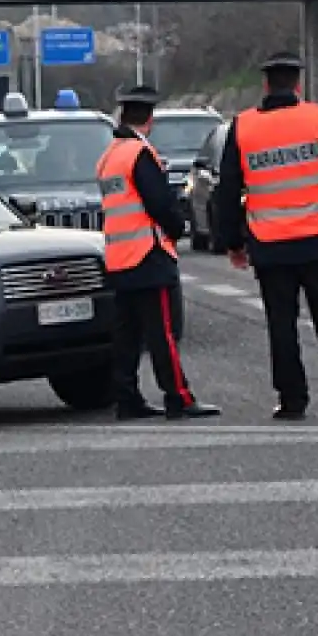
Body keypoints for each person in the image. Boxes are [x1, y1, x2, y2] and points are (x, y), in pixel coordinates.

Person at [213, 53, 318, 419]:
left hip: (270, 245)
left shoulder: (243, 127)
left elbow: (227, 191)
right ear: (298, 86)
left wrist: (233, 242)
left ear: (266, 86)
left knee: (281, 325)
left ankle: (292, 400)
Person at [98, 84, 221, 421]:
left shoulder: (108, 156)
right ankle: (178, 397)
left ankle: (127, 398)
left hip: (120, 257)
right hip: (148, 255)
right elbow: (158, 202)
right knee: (162, 333)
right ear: (149, 120)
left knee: (128, 335)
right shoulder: (140, 153)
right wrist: (178, 225)